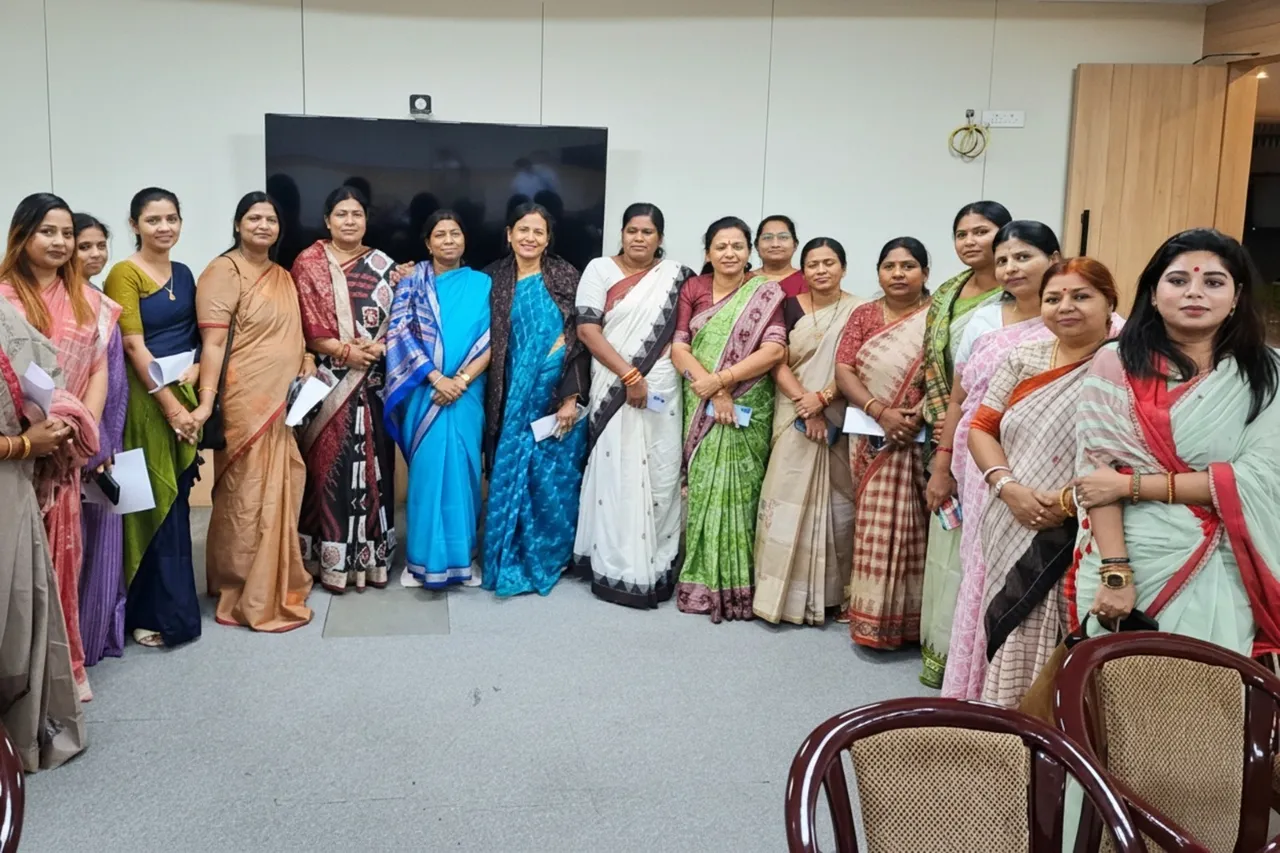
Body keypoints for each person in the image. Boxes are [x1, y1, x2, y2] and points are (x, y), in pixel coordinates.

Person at [1071, 229, 1280, 662]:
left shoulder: (1267, 373)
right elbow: (1097, 478)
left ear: (1237, 297)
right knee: (1116, 703)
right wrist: (1115, 572)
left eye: (1214, 282)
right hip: (1129, 556)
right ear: (1153, 293)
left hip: (1227, 562)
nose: (1195, 293)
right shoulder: (1115, 363)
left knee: (1206, 704)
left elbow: (1265, 477)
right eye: (1179, 280)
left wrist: (1131, 486)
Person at [966, 257, 1121, 706]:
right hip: (1010, 514)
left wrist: (1068, 501)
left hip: (1086, 523)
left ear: (1110, 301)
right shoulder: (1024, 357)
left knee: (1062, 630)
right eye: (1054, 298)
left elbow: (1132, 454)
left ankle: (1050, 733)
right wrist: (1006, 487)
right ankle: (1004, 721)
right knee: (1010, 621)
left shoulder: (1127, 363)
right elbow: (981, 428)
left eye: (1081, 296)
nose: (1065, 306)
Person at [936, 221, 1062, 698]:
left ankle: (1027, 692)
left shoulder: (1095, 321)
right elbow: (959, 398)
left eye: (1023, 256)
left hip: (1052, 463)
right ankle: (973, 686)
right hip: (984, 464)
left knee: (1039, 576)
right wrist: (944, 459)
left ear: (1053, 258)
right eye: (1004, 258)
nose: (1011, 267)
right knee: (984, 570)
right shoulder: (985, 320)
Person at [0, 193, 117, 703]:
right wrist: (34, 433)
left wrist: (77, 425)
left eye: (66, 233)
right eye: (48, 231)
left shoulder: (88, 301)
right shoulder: (3, 299)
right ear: (22, 235)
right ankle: (18, 674)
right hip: (16, 449)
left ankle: (62, 665)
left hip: (65, 450)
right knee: (18, 569)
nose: (61, 242)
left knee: (64, 559)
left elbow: (96, 370)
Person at [194, 191, 315, 632]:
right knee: (245, 495)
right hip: (246, 401)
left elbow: (296, 334)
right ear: (238, 224)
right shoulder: (223, 271)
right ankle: (240, 583)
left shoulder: (283, 275)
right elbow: (214, 343)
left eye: (271, 218)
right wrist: (207, 401)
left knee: (282, 488)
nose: (263, 225)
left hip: (285, 403)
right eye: (254, 218)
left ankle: (278, 576)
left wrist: (305, 361)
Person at [572, 203, 692, 608]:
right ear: (621, 234)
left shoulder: (676, 276)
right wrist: (629, 376)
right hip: (616, 383)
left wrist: (646, 378)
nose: (639, 238)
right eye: (632, 231)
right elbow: (588, 330)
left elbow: (683, 333)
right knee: (618, 470)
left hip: (662, 388)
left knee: (659, 471)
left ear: (660, 237)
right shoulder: (599, 269)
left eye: (648, 232)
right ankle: (617, 563)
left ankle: (656, 566)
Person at [673, 216, 787, 622]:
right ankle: (701, 581)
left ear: (749, 252)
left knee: (743, 493)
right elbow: (679, 347)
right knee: (705, 489)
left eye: (738, 246)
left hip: (748, 402)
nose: (729, 253)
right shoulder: (694, 288)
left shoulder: (766, 292)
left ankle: (741, 587)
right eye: (720, 246)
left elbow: (774, 351)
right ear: (707, 252)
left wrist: (723, 381)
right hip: (702, 398)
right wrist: (711, 388)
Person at [917, 200, 1012, 688]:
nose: (971, 241)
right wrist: (938, 427)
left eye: (983, 231)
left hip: (999, 439)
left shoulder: (1023, 297)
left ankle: (981, 657)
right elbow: (939, 368)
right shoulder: (949, 292)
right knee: (948, 546)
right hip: (948, 430)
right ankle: (946, 652)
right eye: (962, 233)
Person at [104, 187, 203, 650]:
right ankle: (147, 613)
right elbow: (131, 345)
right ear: (134, 225)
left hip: (184, 394)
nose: (164, 228)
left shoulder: (183, 273)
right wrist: (171, 406)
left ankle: (179, 611)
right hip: (147, 402)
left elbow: (197, 333)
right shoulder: (123, 273)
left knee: (177, 502)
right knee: (149, 505)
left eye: (171, 219)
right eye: (153, 220)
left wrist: (199, 371)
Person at [290, 186, 398, 593]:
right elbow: (305, 323)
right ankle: (327, 559)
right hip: (326, 383)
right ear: (327, 220)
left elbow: (401, 322)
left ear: (366, 220)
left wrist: (380, 347)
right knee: (328, 472)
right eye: (341, 214)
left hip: (371, 383)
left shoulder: (385, 265)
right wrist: (342, 351)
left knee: (374, 470)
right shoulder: (308, 263)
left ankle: (370, 559)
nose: (349, 221)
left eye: (356, 214)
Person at [482, 202, 588, 597]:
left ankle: (547, 554)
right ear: (509, 233)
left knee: (551, 481)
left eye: (538, 232)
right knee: (509, 471)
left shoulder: (565, 275)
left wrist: (570, 397)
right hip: (510, 395)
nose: (529, 238)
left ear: (548, 239)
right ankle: (504, 554)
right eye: (522, 230)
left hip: (556, 395)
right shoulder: (492, 278)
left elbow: (580, 342)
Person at [752, 238, 860, 625]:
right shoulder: (788, 306)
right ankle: (778, 595)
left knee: (838, 504)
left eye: (829, 263)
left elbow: (858, 364)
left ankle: (834, 596)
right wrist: (805, 403)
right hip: (793, 412)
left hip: (839, 415)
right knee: (784, 494)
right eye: (813, 264)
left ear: (843, 267)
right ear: (803, 270)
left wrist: (824, 398)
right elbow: (776, 361)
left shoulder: (859, 310)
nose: (821, 271)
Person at [0, 298, 87, 771]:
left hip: (12, 485)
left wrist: (52, 421)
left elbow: (41, 368)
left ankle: (20, 739)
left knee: (19, 608)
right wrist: (23, 445)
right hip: (11, 462)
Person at [385, 210, 491, 589]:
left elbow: (493, 339)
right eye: (440, 235)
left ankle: (464, 559)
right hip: (424, 391)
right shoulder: (411, 283)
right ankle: (421, 561)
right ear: (427, 243)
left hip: (467, 393)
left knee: (464, 473)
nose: (449, 240)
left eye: (455, 233)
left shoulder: (483, 283)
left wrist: (459, 380)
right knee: (427, 474)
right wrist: (435, 378)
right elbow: (400, 335)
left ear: (465, 240)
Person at [835, 237, 931, 647]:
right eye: (889, 266)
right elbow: (844, 369)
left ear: (925, 272)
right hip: (870, 434)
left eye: (908, 266)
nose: (898, 274)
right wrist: (880, 411)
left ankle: (910, 621)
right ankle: (870, 619)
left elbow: (951, 371)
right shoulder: (864, 315)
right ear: (878, 272)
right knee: (872, 519)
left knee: (916, 524)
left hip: (921, 434)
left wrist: (922, 410)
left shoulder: (938, 314)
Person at [73, 212, 127, 665]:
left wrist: (109, 440)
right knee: (72, 547)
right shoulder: (59, 306)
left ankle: (97, 635)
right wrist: (93, 438)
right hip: (76, 440)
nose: (94, 254)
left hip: (109, 436)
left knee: (104, 539)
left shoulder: (100, 299)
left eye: (99, 246)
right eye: (84, 245)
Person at [754, 215, 806, 297]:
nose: (775, 244)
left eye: (783, 237)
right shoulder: (743, 281)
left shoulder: (807, 281)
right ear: (757, 246)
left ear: (795, 245)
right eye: (767, 238)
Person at [73, 214, 110, 286]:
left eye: (101, 246)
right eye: (84, 247)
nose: (96, 254)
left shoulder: (93, 291)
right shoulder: (59, 293)